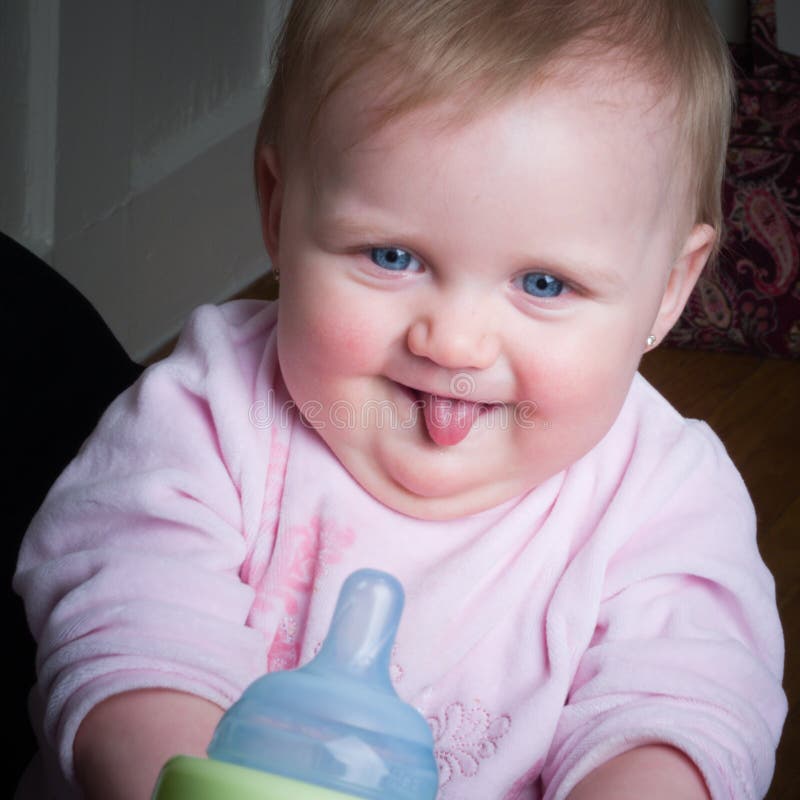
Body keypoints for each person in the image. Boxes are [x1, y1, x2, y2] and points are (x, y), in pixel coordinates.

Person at [14, 1, 787, 798]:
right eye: (392, 256)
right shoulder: (211, 411)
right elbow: (132, 630)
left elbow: (687, 712)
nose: (453, 343)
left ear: (668, 290)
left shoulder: (663, 499)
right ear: (278, 209)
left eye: (543, 284)